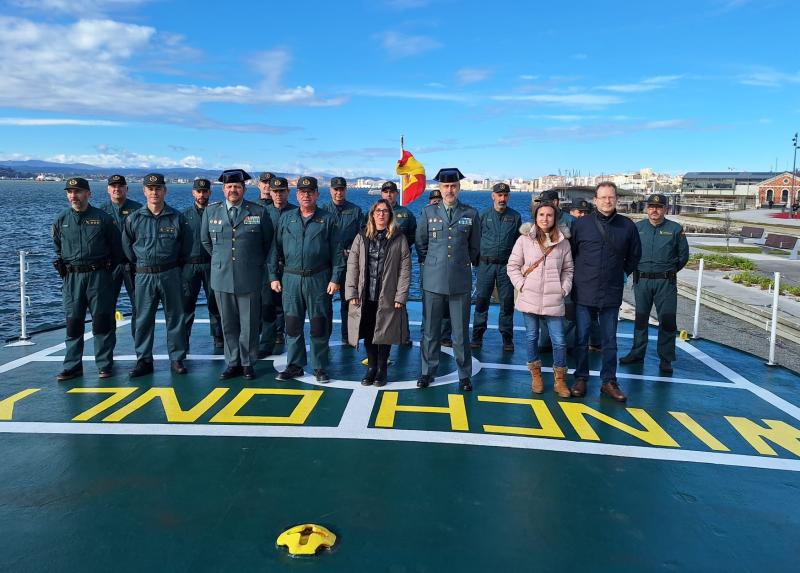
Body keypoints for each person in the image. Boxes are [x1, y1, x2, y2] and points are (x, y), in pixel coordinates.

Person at [569, 181, 641, 402]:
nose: (607, 201)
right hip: (584, 290)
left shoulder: (627, 226)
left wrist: (620, 274)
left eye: (611, 197)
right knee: (581, 338)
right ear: (595, 200)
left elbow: (635, 256)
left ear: (616, 199)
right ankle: (581, 377)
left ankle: (609, 381)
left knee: (610, 340)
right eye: (603, 197)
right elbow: (571, 254)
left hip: (611, 292)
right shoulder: (581, 225)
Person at [269, 176, 344, 382]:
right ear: (297, 195)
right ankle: (295, 365)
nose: (306, 195)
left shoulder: (328, 220)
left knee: (319, 324)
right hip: (291, 278)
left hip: (318, 278)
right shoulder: (287, 219)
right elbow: (275, 250)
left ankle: (320, 366)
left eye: (310, 192)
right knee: (292, 324)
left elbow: (337, 253)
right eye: (302, 192)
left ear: (317, 195)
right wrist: (273, 276)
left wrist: (336, 278)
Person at [201, 169, 273, 381]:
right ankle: (233, 362)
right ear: (223, 189)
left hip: (249, 276)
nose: (233, 190)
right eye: (229, 187)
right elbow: (206, 241)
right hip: (221, 276)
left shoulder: (258, 212)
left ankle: (248, 362)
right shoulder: (211, 212)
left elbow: (267, 242)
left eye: (237, 187)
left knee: (249, 324)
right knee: (228, 323)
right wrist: (221, 259)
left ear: (244, 189)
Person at [416, 168, 480, 391]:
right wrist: (434, 263)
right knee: (431, 330)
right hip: (433, 280)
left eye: (453, 186)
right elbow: (421, 244)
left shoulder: (470, 214)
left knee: (461, 332)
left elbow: (474, 247)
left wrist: (458, 265)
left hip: (460, 281)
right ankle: (427, 371)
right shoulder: (428, 213)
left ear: (459, 188)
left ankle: (464, 375)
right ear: (440, 189)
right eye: (446, 186)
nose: (450, 190)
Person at [122, 173, 191, 378]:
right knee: (143, 318)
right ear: (144, 191)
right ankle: (144, 359)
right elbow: (127, 248)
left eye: (158, 188)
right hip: (144, 274)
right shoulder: (134, 218)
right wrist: (142, 264)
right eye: (150, 189)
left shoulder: (177, 217)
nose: (154, 192)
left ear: (164, 191)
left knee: (175, 317)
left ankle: (177, 359)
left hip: (170, 273)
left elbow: (186, 247)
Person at [52, 177, 121, 381]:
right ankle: (72, 365)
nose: (74, 196)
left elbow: (116, 250)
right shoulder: (61, 219)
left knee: (102, 321)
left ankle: (104, 364)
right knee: (73, 322)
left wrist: (105, 272)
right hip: (72, 278)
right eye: (70, 192)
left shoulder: (103, 219)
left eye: (78, 192)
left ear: (88, 194)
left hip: (98, 276)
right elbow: (58, 246)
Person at [507, 202, 574, 397]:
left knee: (560, 341)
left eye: (549, 215)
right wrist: (522, 285)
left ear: (555, 218)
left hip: (554, 298)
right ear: (535, 217)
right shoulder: (524, 240)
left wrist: (563, 289)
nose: (545, 218)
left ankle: (560, 380)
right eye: (541, 215)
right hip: (530, 296)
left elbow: (568, 269)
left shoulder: (563, 242)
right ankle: (536, 376)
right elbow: (513, 266)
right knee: (531, 337)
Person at [620, 193, 689, 373]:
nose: (654, 210)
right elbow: (629, 252)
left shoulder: (675, 229)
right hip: (642, 280)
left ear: (665, 209)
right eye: (651, 207)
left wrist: (667, 272)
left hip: (665, 282)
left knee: (667, 320)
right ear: (647, 209)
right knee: (641, 319)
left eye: (658, 207)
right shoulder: (638, 228)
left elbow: (683, 257)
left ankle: (666, 358)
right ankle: (637, 353)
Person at [345, 199, 411, 386]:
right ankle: (371, 367)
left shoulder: (399, 238)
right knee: (368, 331)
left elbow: (405, 269)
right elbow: (352, 265)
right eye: (378, 211)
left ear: (390, 215)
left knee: (385, 332)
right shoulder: (361, 237)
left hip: (388, 295)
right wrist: (351, 292)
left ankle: (382, 369)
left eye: (385, 211)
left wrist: (401, 296)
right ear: (372, 215)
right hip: (365, 294)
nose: (381, 214)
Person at [471, 182, 522, 351]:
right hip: (485, 265)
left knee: (507, 303)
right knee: (481, 301)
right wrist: (474, 260)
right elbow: (475, 239)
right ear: (493, 196)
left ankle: (507, 338)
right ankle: (477, 336)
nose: (502, 198)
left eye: (505, 195)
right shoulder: (484, 215)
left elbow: (518, 243)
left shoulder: (515, 217)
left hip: (506, 267)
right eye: (499, 195)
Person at [182, 178, 223, 350]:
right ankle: (184, 337)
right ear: (193, 193)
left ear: (210, 193)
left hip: (211, 264)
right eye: (198, 191)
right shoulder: (183, 216)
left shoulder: (217, 214)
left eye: (205, 191)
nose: (201, 195)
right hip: (189, 266)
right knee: (186, 304)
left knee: (214, 303)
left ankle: (218, 336)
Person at [320, 177, 364, 341]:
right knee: (325, 302)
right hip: (328, 265)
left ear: (346, 190)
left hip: (349, 264)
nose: (338, 192)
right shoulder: (322, 210)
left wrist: (352, 252)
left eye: (341, 189)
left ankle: (348, 335)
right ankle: (325, 335)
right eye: (335, 189)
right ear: (330, 190)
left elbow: (362, 237)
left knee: (349, 301)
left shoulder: (356, 211)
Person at [259, 176, 297, 357]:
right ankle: (266, 342)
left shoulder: (297, 214)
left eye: (282, 191)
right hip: (267, 266)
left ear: (288, 192)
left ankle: (286, 340)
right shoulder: (261, 213)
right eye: (275, 191)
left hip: (291, 267)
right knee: (267, 306)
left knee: (289, 307)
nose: (279, 195)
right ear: (270, 193)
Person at [101, 174, 141, 337]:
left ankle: (140, 347)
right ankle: (107, 348)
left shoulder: (138, 210)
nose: (116, 189)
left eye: (120, 186)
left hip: (133, 264)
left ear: (126, 189)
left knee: (138, 305)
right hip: (110, 265)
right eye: (113, 186)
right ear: (108, 189)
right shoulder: (101, 212)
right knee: (106, 306)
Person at [380, 180, 417, 346]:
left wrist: (401, 251)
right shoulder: (375, 212)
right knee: (378, 300)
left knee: (399, 300)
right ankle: (380, 334)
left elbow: (413, 236)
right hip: (378, 264)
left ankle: (403, 335)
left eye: (392, 191)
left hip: (397, 264)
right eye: (386, 191)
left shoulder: (406, 214)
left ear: (396, 193)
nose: (389, 194)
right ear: (382, 194)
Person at [423, 188, 452, 344]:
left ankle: (445, 335)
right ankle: (427, 332)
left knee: (446, 303)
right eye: (433, 200)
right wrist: (426, 260)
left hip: (446, 267)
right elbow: (421, 241)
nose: (435, 202)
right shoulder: (426, 214)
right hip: (430, 265)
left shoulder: (448, 217)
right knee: (428, 301)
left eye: (438, 200)